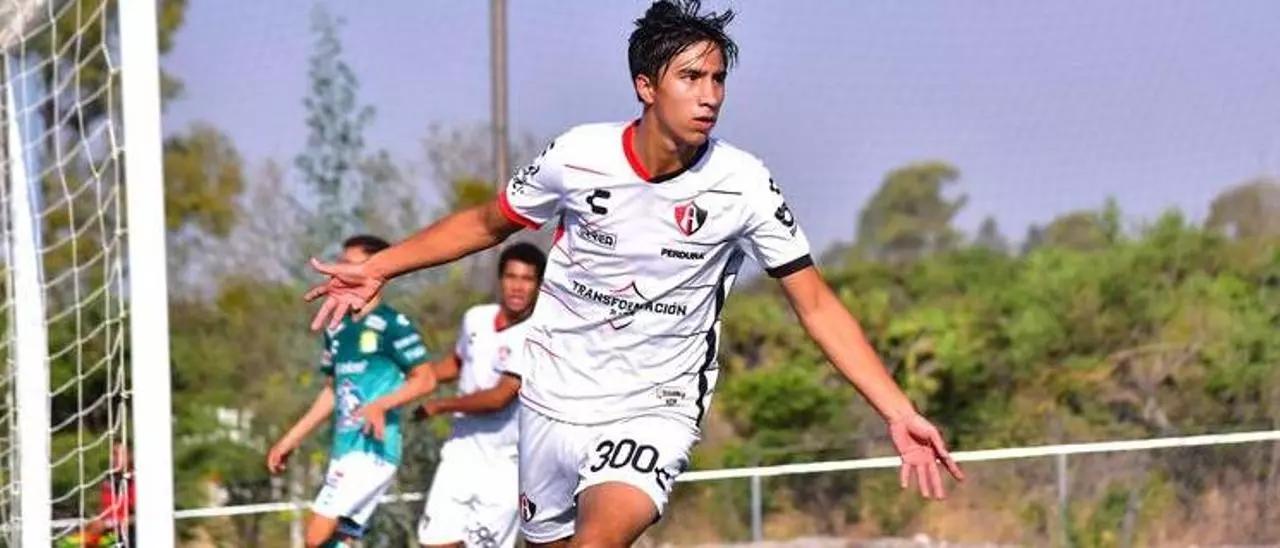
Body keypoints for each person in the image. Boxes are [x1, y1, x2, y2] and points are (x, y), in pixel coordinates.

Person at [304, 1, 965, 545]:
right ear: (646, 86)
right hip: (553, 397)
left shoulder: (743, 185)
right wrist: (382, 266)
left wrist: (897, 410)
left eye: (717, 80)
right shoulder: (578, 156)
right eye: (690, 77)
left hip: (655, 405)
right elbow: (487, 222)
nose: (709, 96)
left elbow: (815, 304)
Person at [269, 235, 439, 548]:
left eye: (351, 265)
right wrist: (290, 439)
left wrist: (380, 405)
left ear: (376, 270)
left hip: (374, 450)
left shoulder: (392, 324)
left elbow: (425, 379)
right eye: (341, 263)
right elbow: (332, 392)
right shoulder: (337, 326)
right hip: (344, 451)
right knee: (337, 540)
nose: (342, 271)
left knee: (315, 535)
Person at [415, 243, 546, 548]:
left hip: (505, 468)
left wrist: (440, 405)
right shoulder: (476, 318)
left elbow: (499, 397)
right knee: (435, 543)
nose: (517, 286)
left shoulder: (537, 335)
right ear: (500, 279)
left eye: (527, 279)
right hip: (459, 454)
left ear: (539, 286)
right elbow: (458, 362)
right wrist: (415, 378)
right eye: (511, 277)